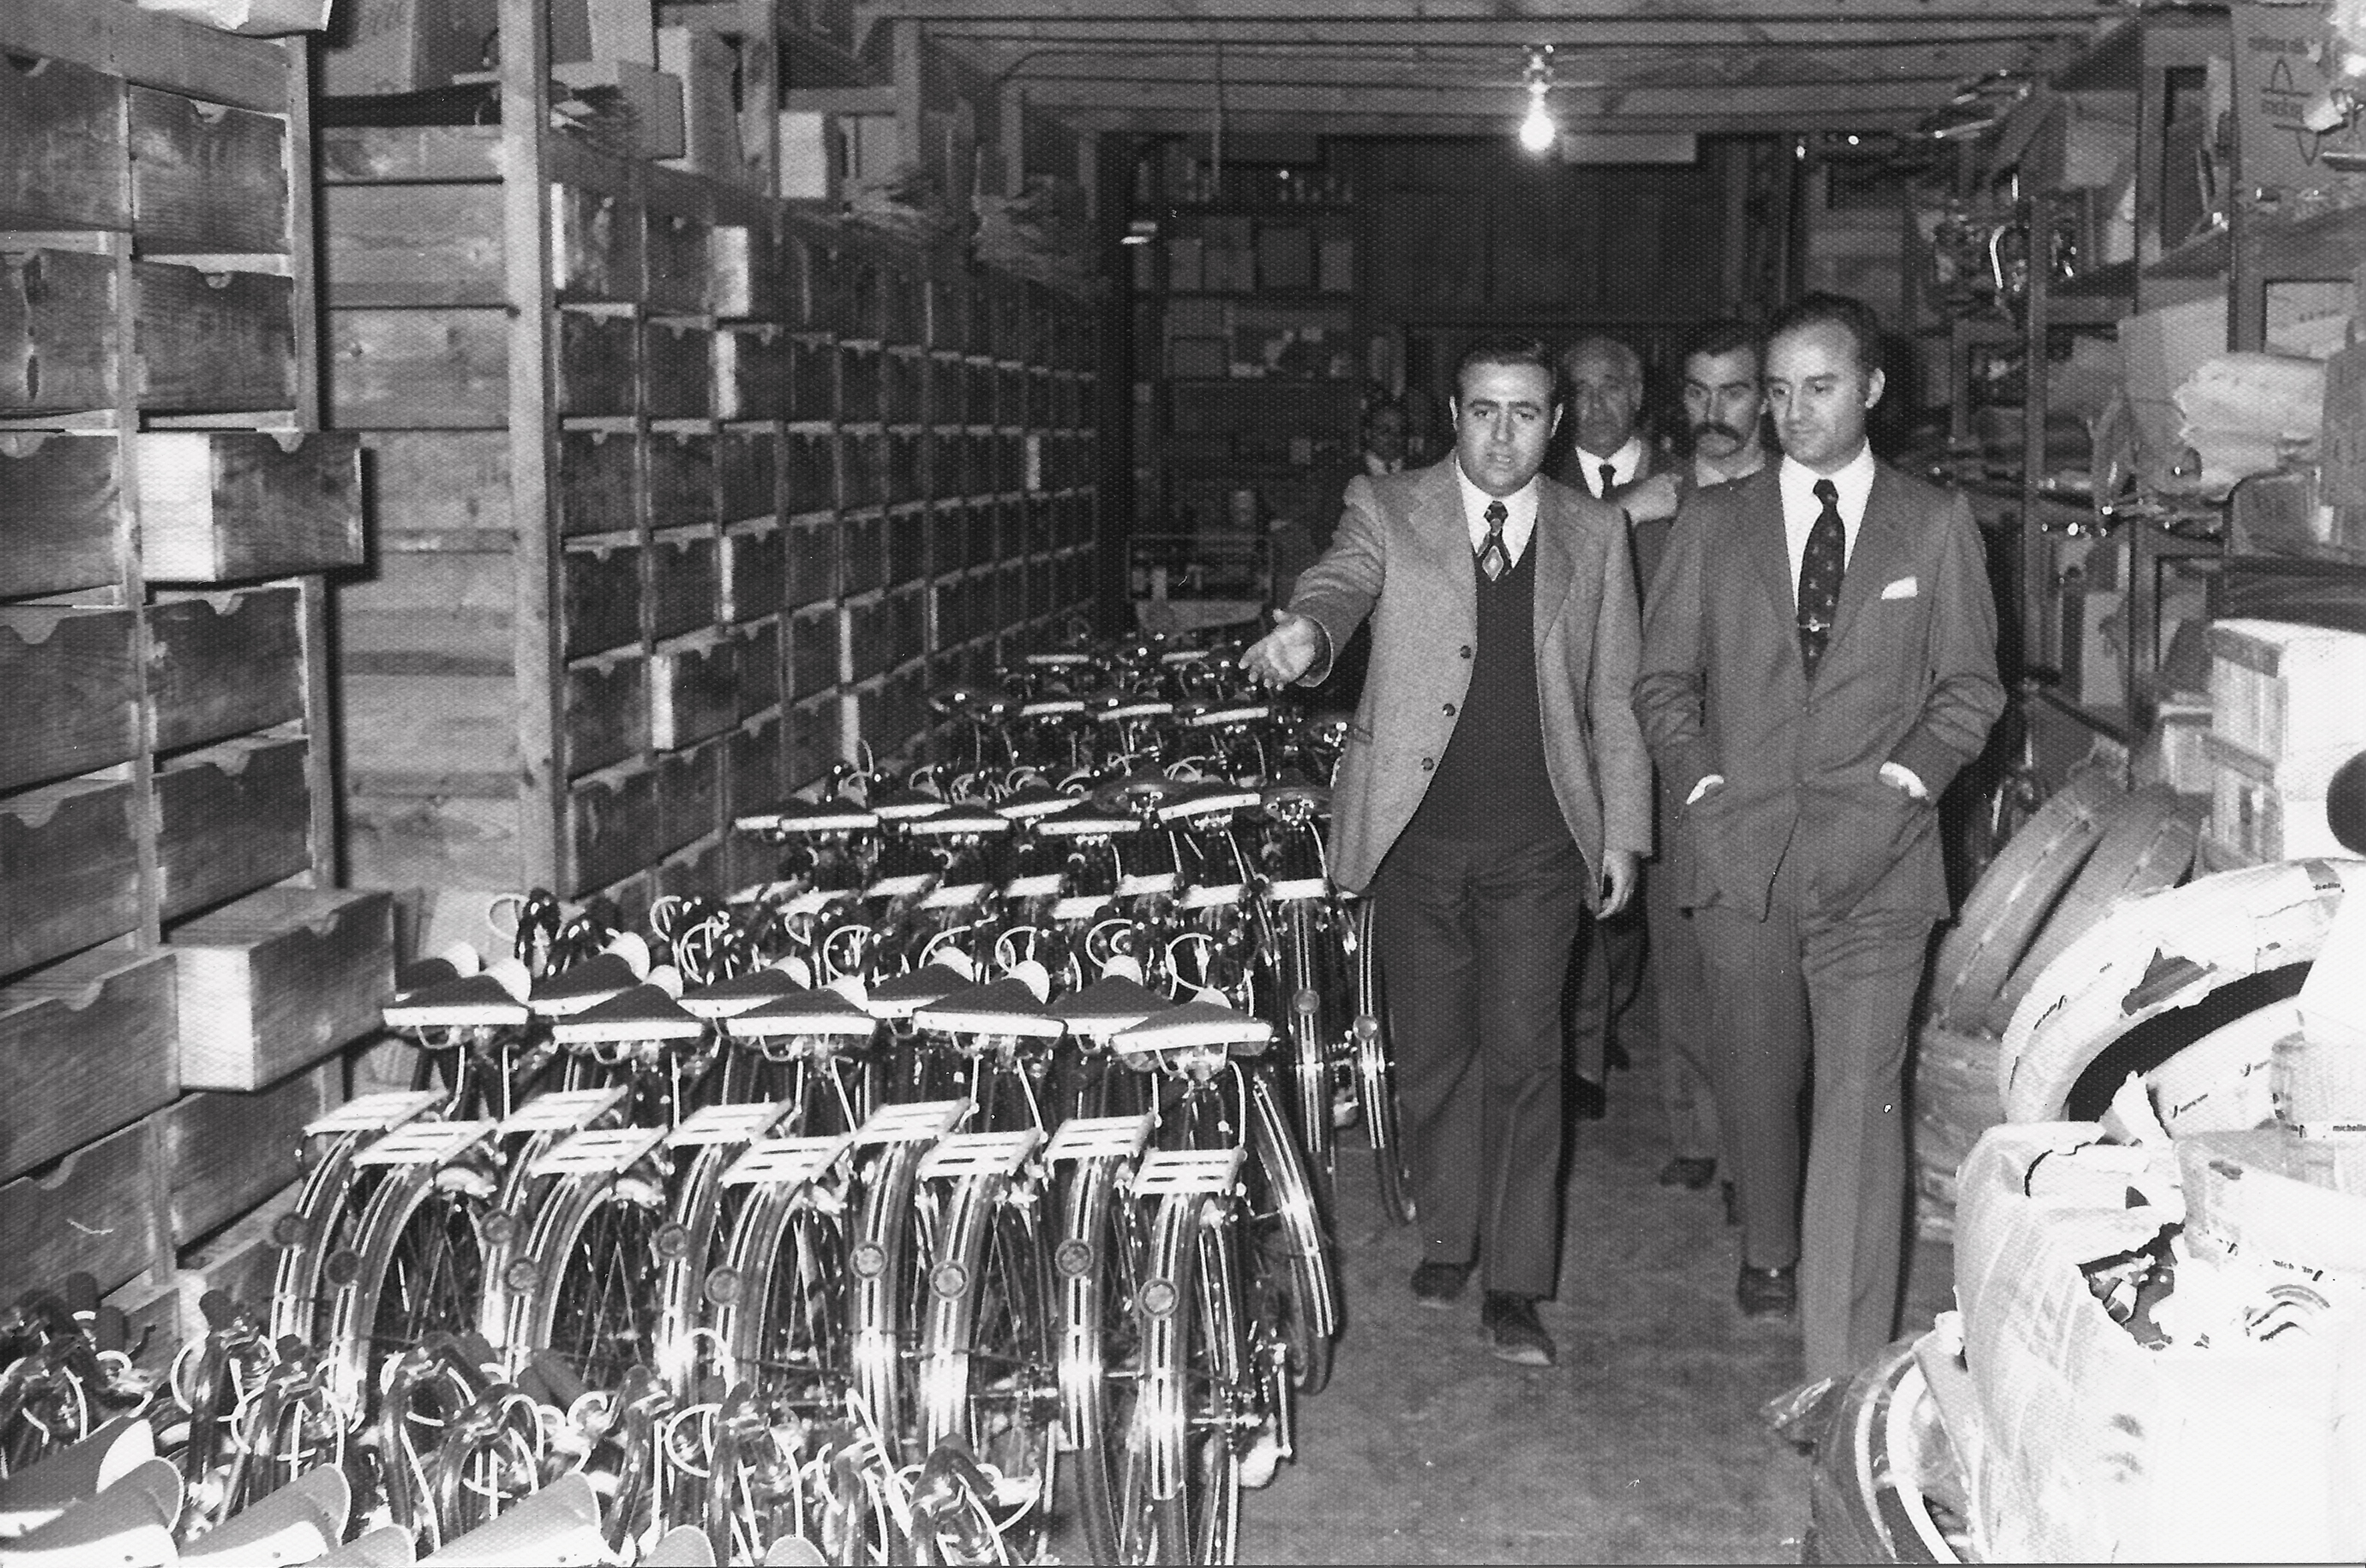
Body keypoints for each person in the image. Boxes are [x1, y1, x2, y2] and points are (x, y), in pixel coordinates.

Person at [1240, 335, 1652, 1368]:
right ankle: (1450, 1233)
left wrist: (1624, 833)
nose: (1503, 435)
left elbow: (1616, 695)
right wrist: (1306, 633)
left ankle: (1514, 1282)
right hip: (1416, 839)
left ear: (1555, 423)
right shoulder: (1388, 508)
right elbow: (1341, 583)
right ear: (1455, 416)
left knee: (1526, 1059)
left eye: (1526, 412)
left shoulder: (1595, 532)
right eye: (1483, 411)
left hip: (1540, 842)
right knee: (1431, 1060)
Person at [1632, 293, 2002, 1384]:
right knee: (1758, 1078)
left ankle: (1839, 1380)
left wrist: (1908, 783)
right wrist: (1699, 783)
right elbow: (1662, 681)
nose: (1794, 412)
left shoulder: (1933, 523)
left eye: (1820, 387)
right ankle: (1768, 1241)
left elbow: (1970, 688)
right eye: (1780, 391)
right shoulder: (1714, 522)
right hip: (1738, 856)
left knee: (1859, 1107)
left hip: (1881, 864)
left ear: (1873, 389)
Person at [1615, 321, 1774, 1201]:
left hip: (1776, 762)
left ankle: (1760, 1151)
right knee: (1681, 955)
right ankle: (1696, 1130)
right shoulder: (1648, 511)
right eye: (1699, 393)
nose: (1716, 412)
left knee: (1763, 967)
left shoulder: (1800, 501)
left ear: (1766, 400)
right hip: (1677, 761)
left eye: (1735, 392)